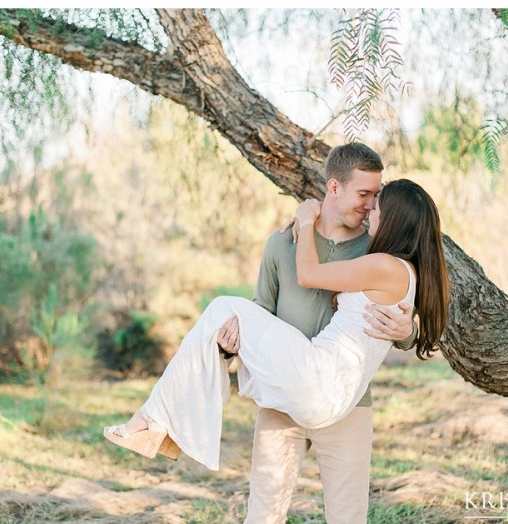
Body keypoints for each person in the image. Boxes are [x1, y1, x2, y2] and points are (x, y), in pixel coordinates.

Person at [103, 178, 450, 504]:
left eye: (378, 205)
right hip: (332, 392)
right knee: (224, 316)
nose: (371, 208)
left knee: (223, 306)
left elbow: (308, 275)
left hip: (320, 379)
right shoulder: (405, 272)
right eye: (367, 198)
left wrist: (303, 220)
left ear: (394, 219)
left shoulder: (384, 265)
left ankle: (150, 421)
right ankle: (155, 421)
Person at [231, 142, 419, 524]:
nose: (370, 205)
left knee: (348, 521)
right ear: (334, 188)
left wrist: (408, 332)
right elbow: (261, 310)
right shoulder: (282, 244)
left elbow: (401, 317)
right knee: (263, 516)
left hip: (349, 404)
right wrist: (231, 342)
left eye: (376, 196)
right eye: (364, 194)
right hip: (282, 399)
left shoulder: (376, 249)